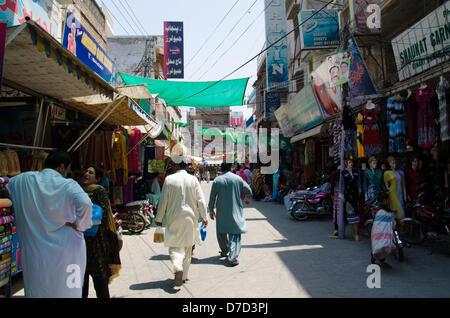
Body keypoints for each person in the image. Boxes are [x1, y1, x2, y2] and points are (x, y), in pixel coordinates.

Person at [6, 151, 93, 297]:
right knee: (68, 290)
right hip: (67, 252)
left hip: (35, 255)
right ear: (61, 167)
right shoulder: (68, 185)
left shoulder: (22, 180)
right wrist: (81, 225)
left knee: (38, 289)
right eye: (68, 169)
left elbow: (5, 189)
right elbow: (85, 203)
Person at [155, 158, 208, 288]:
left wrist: (159, 218)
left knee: (175, 246)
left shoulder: (169, 180)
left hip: (174, 219)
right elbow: (201, 201)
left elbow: (163, 201)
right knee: (188, 248)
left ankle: (178, 267)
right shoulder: (193, 180)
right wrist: (204, 217)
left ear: (176, 165)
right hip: (190, 219)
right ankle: (183, 276)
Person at [79, 165, 121, 298]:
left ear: (97, 179)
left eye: (90, 173)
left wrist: (84, 221)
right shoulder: (77, 191)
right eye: (86, 171)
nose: (86, 174)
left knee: (100, 283)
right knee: (80, 283)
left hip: (97, 243)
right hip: (80, 243)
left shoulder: (99, 191)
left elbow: (103, 214)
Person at [208, 163, 252, 266]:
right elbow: (248, 190)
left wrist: (211, 209)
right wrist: (247, 198)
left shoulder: (217, 180)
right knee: (235, 234)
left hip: (222, 211)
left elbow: (212, 197)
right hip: (236, 209)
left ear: (221, 169)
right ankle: (233, 257)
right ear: (231, 168)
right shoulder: (238, 179)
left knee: (221, 231)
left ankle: (224, 250)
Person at [342, 158, 361, 241]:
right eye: (349, 162)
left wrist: (360, 190)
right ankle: (352, 233)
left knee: (356, 214)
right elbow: (342, 184)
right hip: (347, 195)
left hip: (355, 194)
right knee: (350, 214)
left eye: (352, 162)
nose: (351, 164)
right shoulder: (344, 173)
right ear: (346, 164)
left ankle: (355, 233)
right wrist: (341, 195)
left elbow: (358, 182)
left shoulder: (356, 172)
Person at [384, 156, 407, 220]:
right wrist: (388, 193)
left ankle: (402, 222)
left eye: (394, 162)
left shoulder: (400, 172)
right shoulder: (387, 173)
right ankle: (395, 224)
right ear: (389, 164)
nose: (394, 164)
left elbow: (403, 184)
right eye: (392, 163)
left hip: (400, 192)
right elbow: (386, 184)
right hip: (392, 193)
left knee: (401, 207)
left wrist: (405, 194)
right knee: (394, 209)